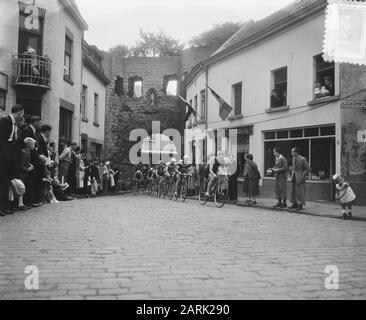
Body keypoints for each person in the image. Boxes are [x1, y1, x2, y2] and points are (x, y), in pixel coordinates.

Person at [0, 104, 25, 216]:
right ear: (19, 112)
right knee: (2, 182)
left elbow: (13, 142)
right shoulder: (5, 121)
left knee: (7, 182)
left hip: (9, 157)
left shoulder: (14, 124)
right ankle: (1, 208)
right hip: (3, 156)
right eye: (22, 114)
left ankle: (5, 207)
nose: (22, 117)